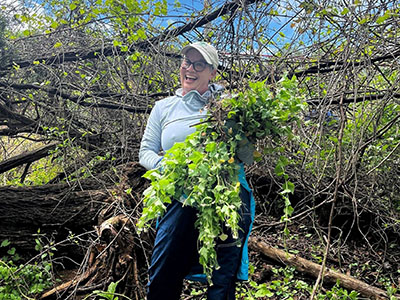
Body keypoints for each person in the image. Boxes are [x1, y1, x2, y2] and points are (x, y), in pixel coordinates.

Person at [139, 41, 255, 300]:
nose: (190, 69)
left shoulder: (228, 105)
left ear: (213, 72)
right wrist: (169, 166)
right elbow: (145, 152)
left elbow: (247, 156)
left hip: (228, 198)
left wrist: (236, 128)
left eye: (199, 64)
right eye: (187, 62)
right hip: (180, 196)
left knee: (221, 282)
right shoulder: (164, 107)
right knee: (163, 274)